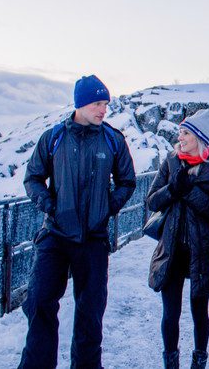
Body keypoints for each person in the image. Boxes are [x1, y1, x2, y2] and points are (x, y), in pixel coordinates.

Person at [20, 74, 137, 369]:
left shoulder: (112, 139)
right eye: (97, 103)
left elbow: (127, 181)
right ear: (81, 104)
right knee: (39, 303)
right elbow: (33, 177)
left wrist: (107, 208)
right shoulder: (54, 138)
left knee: (90, 313)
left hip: (93, 239)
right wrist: (48, 204)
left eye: (106, 104)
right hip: (55, 235)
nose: (103, 110)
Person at [147, 109, 209, 369]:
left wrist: (189, 192)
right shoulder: (171, 161)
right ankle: (171, 363)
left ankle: (199, 362)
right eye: (180, 132)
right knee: (170, 313)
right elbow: (151, 200)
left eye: (185, 133)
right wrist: (173, 188)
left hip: (202, 248)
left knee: (199, 312)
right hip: (171, 247)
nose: (179, 137)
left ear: (199, 137)